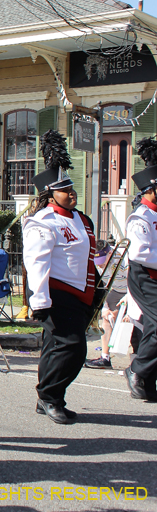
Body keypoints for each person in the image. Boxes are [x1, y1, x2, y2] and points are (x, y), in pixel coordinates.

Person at [23, 129, 96, 423]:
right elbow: (36, 261)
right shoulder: (43, 221)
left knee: (55, 347)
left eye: (72, 187)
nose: (72, 193)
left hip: (79, 292)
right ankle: (50, 395)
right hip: (56, 291)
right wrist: (38, 300)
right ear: (51, 194)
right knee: (73, 347)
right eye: (65, 189)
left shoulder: (82, 218)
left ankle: (51, 398)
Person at [123, 137, 157, 401]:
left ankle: (147, 379)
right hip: (145, 276)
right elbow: (139, 253)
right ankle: (137, 369)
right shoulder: (140, 217)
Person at [85, 240, 125, 369]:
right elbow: (105, 285)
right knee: (106, 318)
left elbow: (136, 280)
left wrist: (127, 307)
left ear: (110, 253)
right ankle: (105, 358)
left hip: (133, 289)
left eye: (103, 260)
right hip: (115, 289)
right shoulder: (97, 262)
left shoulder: (124, 258)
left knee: (131, 323)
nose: (100, 265)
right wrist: (106, 307)